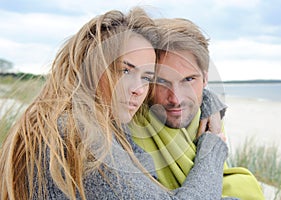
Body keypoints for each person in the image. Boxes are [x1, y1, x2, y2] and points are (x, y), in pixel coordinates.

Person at [0, 8, 238, 200]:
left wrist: (209, 104)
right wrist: (213, 147)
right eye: (125, 70)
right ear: (93, 67)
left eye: (146, 77)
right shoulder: (80, 135)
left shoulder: (68, 116)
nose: (138, 89)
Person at [129, 18, 265, 200]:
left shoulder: (207, 119)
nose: (175, 99)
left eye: (188, 79)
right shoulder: (129, 125)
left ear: (205, 79)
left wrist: (210, 102)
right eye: (161, 81)